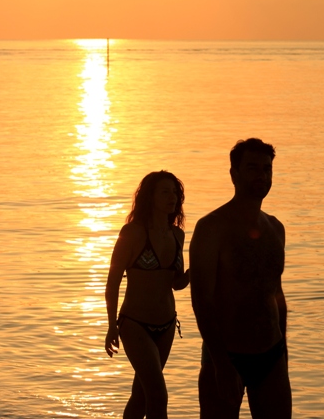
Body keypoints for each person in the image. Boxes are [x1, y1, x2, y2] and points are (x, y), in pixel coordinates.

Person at [190, 138, 291, 419]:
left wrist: (284, 354)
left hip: (271, 355)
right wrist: (221, 364)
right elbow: (201, 300)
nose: (262, 175)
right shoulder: (211, 228)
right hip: (225, 356)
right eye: (252, 168)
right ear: (234, 174)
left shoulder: (275, 228)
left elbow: (277, 295)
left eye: (267, 169)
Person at [105, 170, 190, 419]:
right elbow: (112, 285)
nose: (172, 197)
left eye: (175, 192)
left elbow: (175, 283)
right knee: (158, 394)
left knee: (142, 395)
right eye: (165, 191)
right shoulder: (132, 233)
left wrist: (197, 271)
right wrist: (112, 326)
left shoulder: (177, 235)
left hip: (166, 325)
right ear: (150, 196)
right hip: (135, 324)